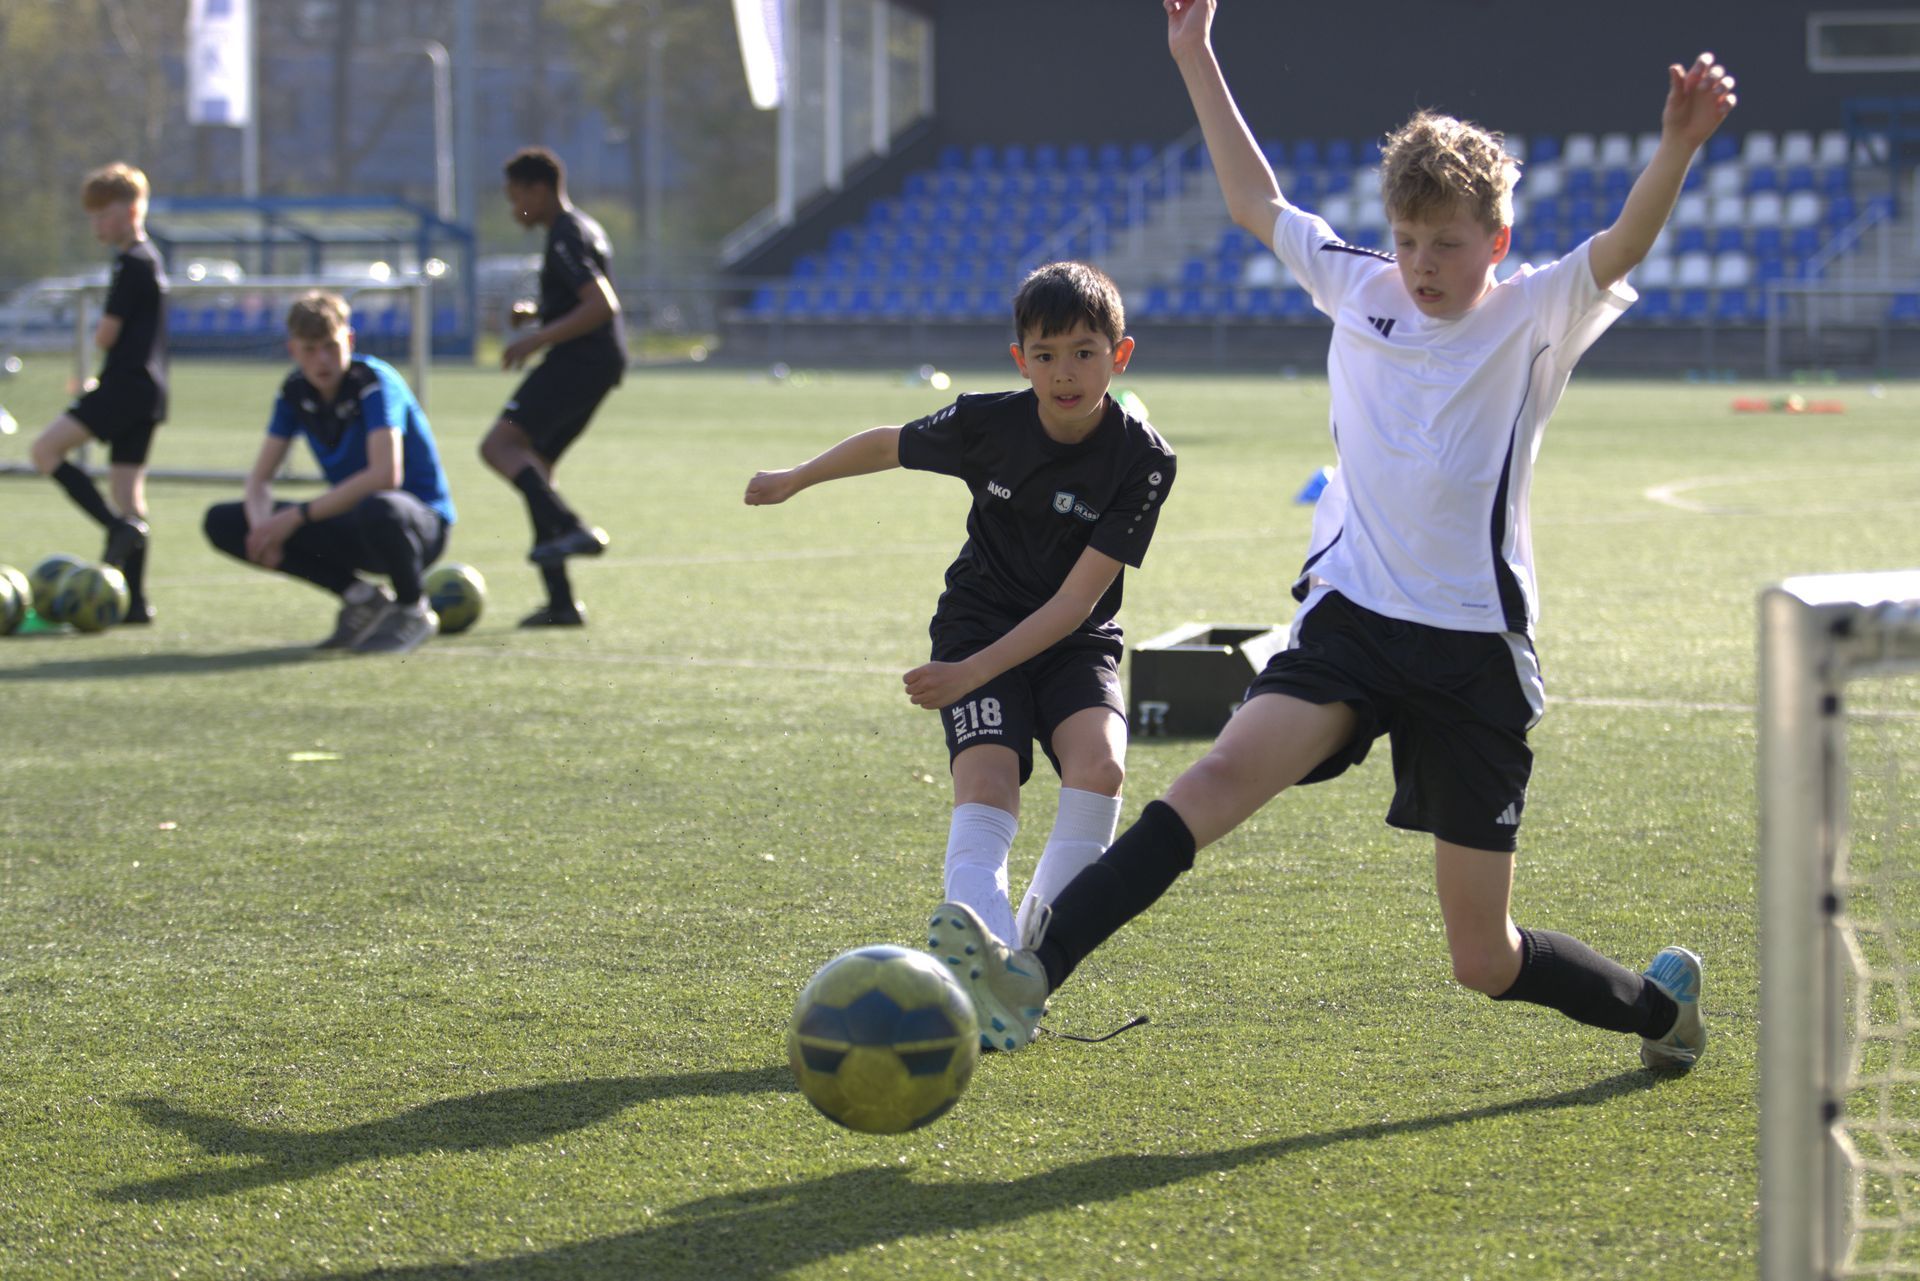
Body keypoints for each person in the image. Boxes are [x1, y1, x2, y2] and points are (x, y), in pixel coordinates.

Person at [931, 0, 1736, 1070]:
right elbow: (1254, 199)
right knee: (1212, 782)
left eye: (1447, 244)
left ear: (1496, 242)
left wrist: (1677, 145)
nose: (1422, 264)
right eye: (1407, 240)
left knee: (1482, 957)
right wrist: (1194, 51)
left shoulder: (1536, 313)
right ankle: (1032, 971)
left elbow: (1623, 242)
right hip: (1352, 620)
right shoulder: (1358, 283)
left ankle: (1659, 1012)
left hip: (1471, 650)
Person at [747, 262, 1177, 1051]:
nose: (1065, 373)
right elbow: (890, 443)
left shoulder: (1144, 459)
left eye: (1084, 353)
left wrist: (971, 675)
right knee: (987, 785)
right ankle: (984, 968)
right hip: (977, 625)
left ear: (1120, 356)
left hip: (1074, 638)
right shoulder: (989, 423)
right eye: (1045, 355)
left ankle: (1027, 968)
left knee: (1101, 766)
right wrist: (795, 478)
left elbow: (1074, 605)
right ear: (1021, 360)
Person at [202, 291, 455, 655]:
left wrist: (295, 516)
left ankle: (412, 609)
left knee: (380, 505)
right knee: (224, 521)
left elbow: (385, 476)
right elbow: (259, 480)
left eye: (331, 346)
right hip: (356, 521)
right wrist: (263, 530)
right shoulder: (295, 392)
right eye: (309, 349)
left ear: (349, 340)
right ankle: (361, 598)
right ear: (293, 350)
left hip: (417, 526)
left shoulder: (374, 382)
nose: (322, 360)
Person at [479, 146, 625, 628]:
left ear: (538, 190)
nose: (514, 208)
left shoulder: (565, 233)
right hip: (597, 362)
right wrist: (539, 313)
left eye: (516, 197)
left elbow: (601, 304)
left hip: (580, 360)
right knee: (535, 468)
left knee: (498, 446)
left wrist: (535, 339)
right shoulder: (582, 228)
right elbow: (580, 298)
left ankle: (571, 527)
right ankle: (561, 602)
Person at [29, 162, 167, 623]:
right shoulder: (151, 257)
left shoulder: (131, 263)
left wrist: (98, 368)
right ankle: (137, 603)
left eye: (103, 215)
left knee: (45, 451)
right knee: (130, 494)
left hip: (125, 387)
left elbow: (108, 335)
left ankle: (115, 529)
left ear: (130, 211)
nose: (96, 226)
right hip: (148, 392)